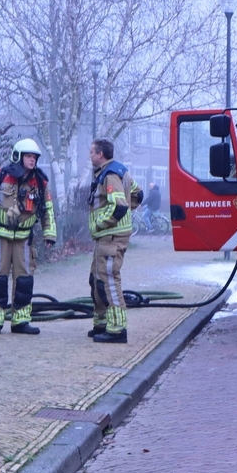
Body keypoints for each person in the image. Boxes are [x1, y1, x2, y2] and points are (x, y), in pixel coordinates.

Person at [0, 139, 56, 335]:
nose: (32, 160)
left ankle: (21, 321)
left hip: (25, 239)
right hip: (0, 237)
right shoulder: (0, 176)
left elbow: (47, 209)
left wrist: (50, 233)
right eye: (28, 156)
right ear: (18, 156)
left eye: (34, 157)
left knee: (24, 280)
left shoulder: (40, 182)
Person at [87, 138, 143, 344]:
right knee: (97, 279)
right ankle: (102, 323)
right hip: (107, 238)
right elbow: (138, 193)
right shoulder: (120, 171)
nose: (90, 155)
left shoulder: (110, 175)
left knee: (109, 280)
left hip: (110, 237)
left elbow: (119, 206)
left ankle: (117, 329)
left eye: (91, 152)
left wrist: (100, 224)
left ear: (100, 154)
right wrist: (129, 210)